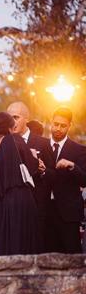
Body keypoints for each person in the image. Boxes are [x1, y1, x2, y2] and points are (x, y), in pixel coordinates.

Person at [0, 112, 39, 258]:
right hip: (19, 200)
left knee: (2, 247)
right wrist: (33, 155)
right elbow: (32, 166)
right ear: (10, 127)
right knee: (20, 246)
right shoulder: (14, 139)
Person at [7, 101, 54, 252]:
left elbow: (55, 175)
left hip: (38, 209)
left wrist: (44, 170)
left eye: (16, 117)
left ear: (26, 118)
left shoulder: (44, 143)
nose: (11, 122)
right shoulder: (4, 143)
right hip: (13, 210)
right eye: (9, 117)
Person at [46, 107, 86, 253]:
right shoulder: (40, 146)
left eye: (63, 126)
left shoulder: (79, 150)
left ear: (70, 125)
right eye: (56, 124)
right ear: (51, 122)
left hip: (68, 215)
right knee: (46, 258)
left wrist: (72, 166)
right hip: (44, 212)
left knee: (72, 258)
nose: (58, 128)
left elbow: (84, 181)